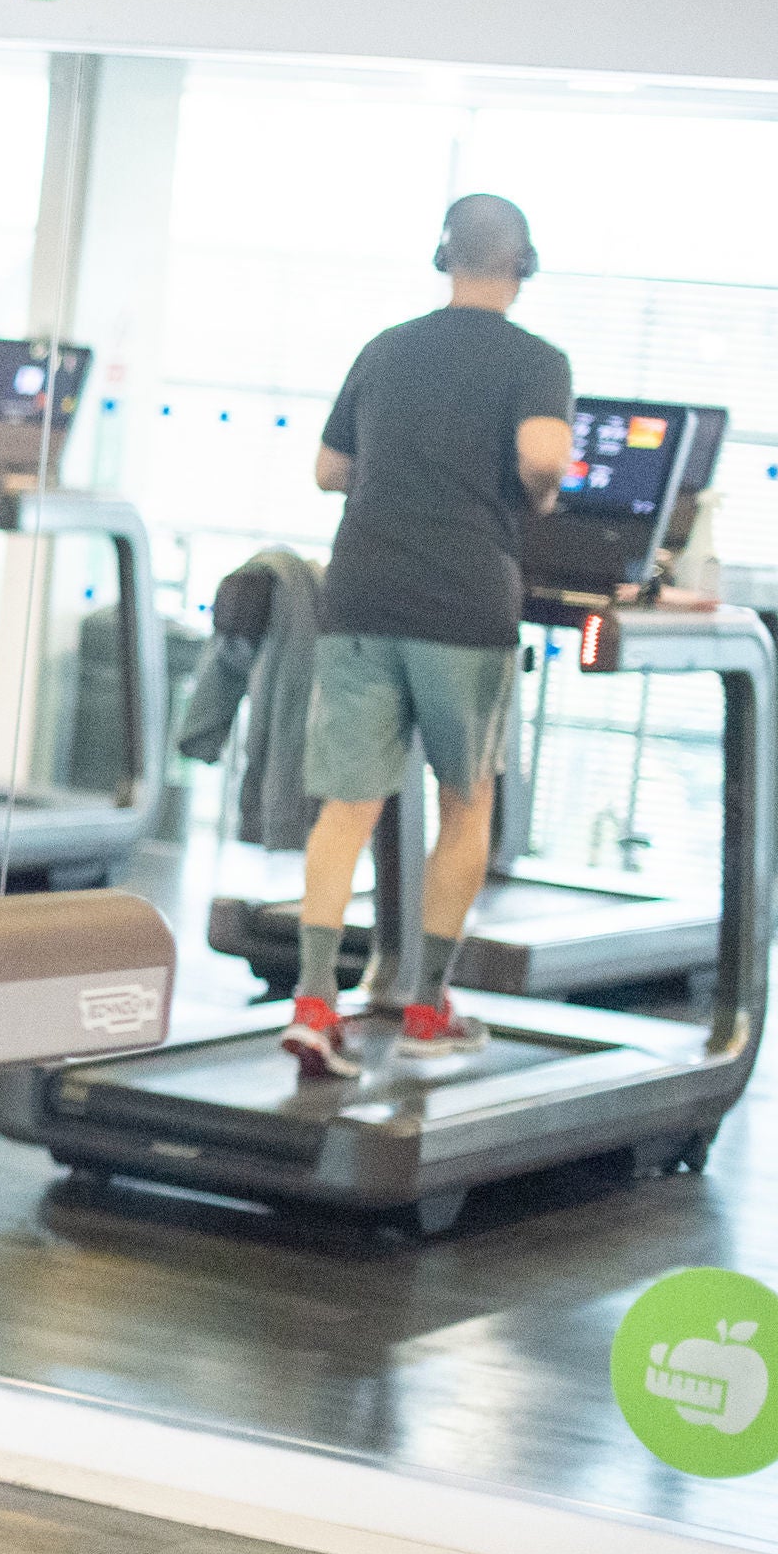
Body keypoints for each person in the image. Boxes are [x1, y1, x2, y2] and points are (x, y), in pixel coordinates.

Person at [281, 192, 573, 1075]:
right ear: (524, 266)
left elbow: (330, 468)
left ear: (442, 258)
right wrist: (542, 497)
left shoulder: (387, 347)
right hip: (463, 604)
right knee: (466, 800)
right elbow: (546, 456)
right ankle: (426, 1005)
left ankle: (314, 1003)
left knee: (348, 809)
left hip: (362, 594)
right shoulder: (537, 359)